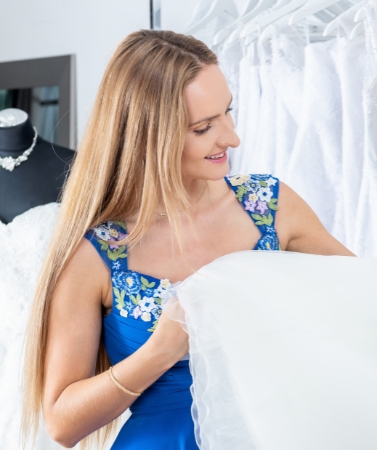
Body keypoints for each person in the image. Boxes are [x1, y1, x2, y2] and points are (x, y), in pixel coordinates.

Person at [21, 30, 352, 449]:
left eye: (228, 113)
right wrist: (159, 353)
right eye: (203, 127)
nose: (231, 137)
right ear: (147, 137)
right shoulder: (98, 254)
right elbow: (62, 424)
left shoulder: (271, 205)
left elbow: (373, 305)